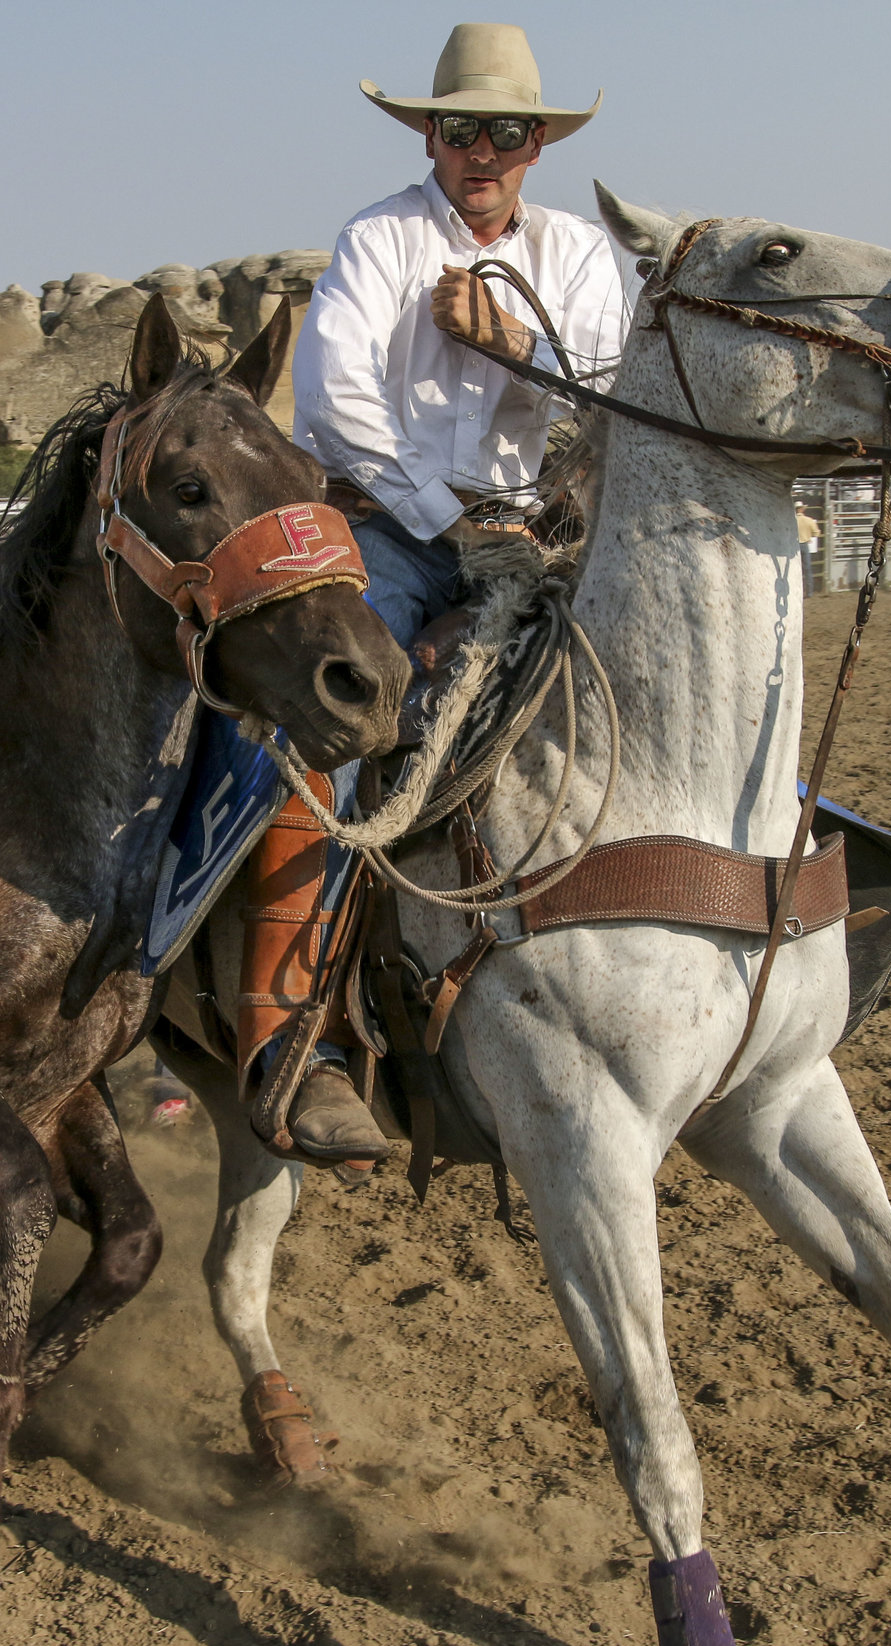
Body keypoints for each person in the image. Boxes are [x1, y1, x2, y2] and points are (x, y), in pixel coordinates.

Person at [270, 21, 624, 1162]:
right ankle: (292, 1026)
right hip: (400, 534)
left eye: (505, 131)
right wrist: (449, 517)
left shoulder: (576, 254)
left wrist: (526, 349)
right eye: (461, 128)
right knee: (321, 717)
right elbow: (331, 406)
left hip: (539, 534)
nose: (481, 149)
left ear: (535, 144)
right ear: (429, 132)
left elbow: (610, 398)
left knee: (654, 685)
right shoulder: (377, 239)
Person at [795, 501, 822, 595]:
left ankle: (796, 590)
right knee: (807, 568)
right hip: (805, 544)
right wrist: (809, 535)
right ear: (802, 509)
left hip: (794, 546)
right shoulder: (808, 520)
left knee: (794, 568)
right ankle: (809, 591)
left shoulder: (791, 520)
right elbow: (816, 533)